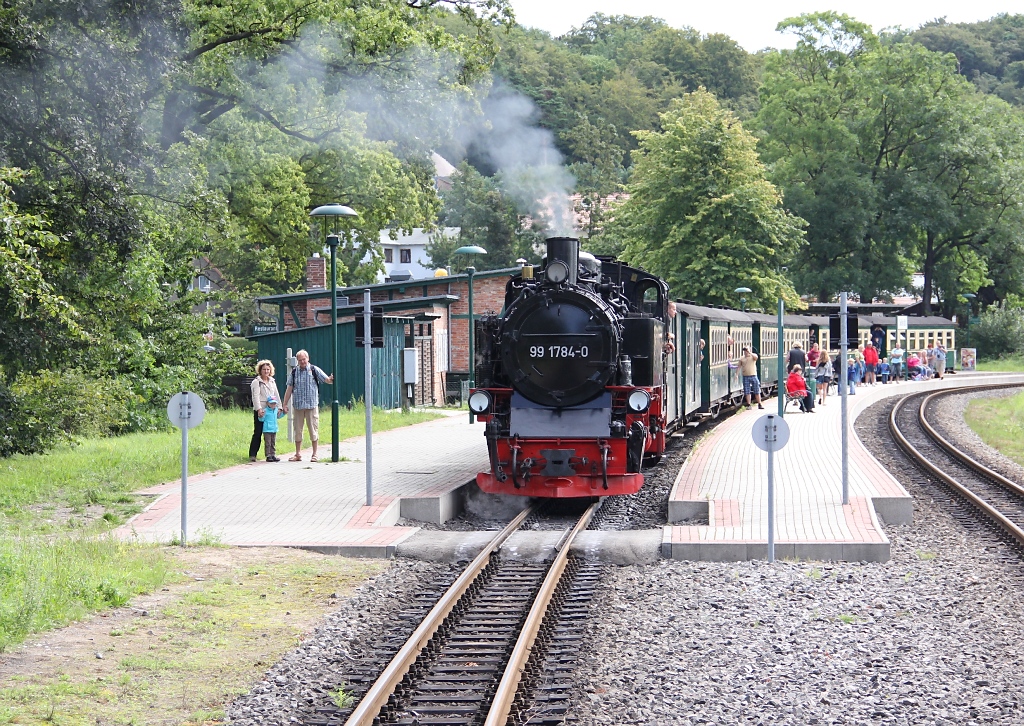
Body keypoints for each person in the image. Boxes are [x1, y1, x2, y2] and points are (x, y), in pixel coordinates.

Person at [282, 349, 335, 462]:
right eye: (300, 360)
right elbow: (289, 388)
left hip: (311, 405)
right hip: (298, 406)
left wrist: (331, 379)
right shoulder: (294, 372)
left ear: (308, 358)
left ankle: (315, 454)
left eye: (304, 359)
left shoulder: (314, 370)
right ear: (297, 360)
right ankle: (298, 454)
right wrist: (285, 403)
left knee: (313, 430)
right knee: (298, 430)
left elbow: (327, 380)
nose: (302, 362)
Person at [249, 359, 282, 462]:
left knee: (271, 433)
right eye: (264, 369)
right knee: (258, 432)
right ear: (260, 370)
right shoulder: (256, 382)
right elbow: (255, 396)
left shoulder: (272, 381)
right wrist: (259, 409)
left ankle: (271, 454)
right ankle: (253, 454)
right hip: (262, 410)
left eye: (268, 369)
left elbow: (276, 394)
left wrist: (279, 407)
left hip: (271, 410)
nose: (266, 371)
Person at [259, 395, 284, 462]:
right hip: (267, 429)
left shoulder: (276, 410)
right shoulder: (265, 411)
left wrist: (284, 413)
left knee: (273, 443)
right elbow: (261, 420)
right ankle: (268, 455)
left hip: (274, 429)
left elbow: (278, 416)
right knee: (268, 443)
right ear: (268, 403)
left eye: (274, 403)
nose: (273, 405)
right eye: (271, 403)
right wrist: (261, 416)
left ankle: (273, 454)